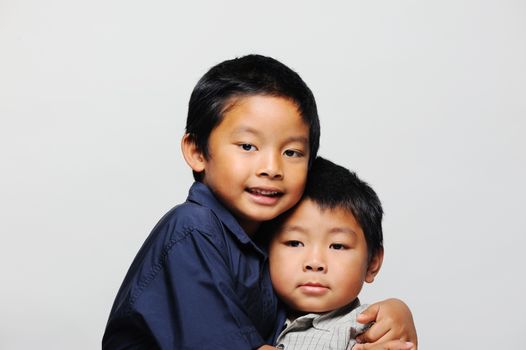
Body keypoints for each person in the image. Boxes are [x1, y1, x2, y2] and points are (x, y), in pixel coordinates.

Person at [102, 54, 417, 349]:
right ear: (198, 151)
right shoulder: (193, 230)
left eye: (291, 152)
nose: (271, 168)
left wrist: (390, 314)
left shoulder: (274, 237)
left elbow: (310, 322)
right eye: (248, 145)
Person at [268, 157, 416, 350]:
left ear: (372, 263)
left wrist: (400, 310)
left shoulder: (371, 330)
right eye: (295, 242)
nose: (315, 262)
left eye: (337, 246)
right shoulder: (246, 315)